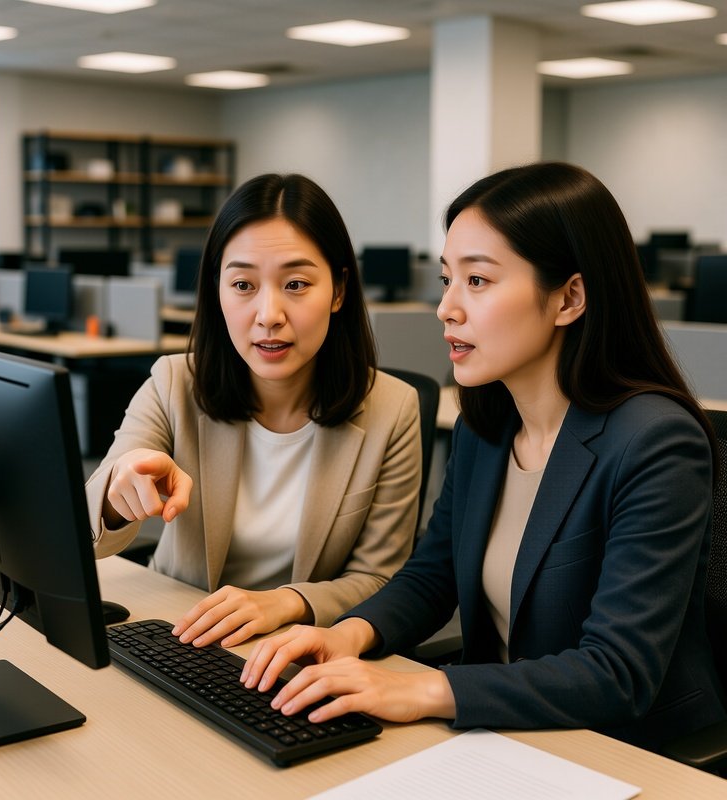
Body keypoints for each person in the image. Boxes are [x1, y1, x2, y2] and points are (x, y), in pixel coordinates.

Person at [240, 162, 727, 753]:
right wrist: (348, 634)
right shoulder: (487, 423)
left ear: (569, 297)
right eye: (447, 279)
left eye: (478, 281)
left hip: (623, 748)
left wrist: (422, 692)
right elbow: (432, 575)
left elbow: (617, 673)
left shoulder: (655, 442)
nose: (447, 308)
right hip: (496, 737)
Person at [86, 173, 421, 648]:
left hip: (295, 650)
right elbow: (88, 529)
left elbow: (378, 578)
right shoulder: (173, 382)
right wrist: (118, 495)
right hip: (176, 631)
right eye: (243, 284)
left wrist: (286, 602)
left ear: (339, 291)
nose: (268, 314)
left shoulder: (392, 409)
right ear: (217, 292)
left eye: (297, 284)